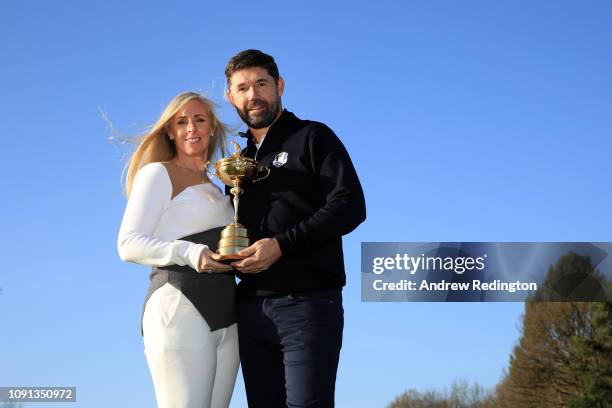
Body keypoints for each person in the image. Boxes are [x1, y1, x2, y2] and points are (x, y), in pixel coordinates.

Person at [224, 49, 367, 408]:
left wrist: (281, 245)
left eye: (261, 84)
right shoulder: (236, 163)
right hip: (250, 309)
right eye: (242, 88)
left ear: (279, 86)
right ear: (231, 97)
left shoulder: (313, 137)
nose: (252, 95)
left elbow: (350, 205)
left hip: (307, 303)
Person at [117, 92, 239, 408]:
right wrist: (192, 253)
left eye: (199, 119)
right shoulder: (159, 173)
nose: (191, 128)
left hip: (228, 315)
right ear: (170, 131)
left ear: (212, 127)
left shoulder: (220, 188)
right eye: (181, 122)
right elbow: (128, 243)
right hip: (179, 304)